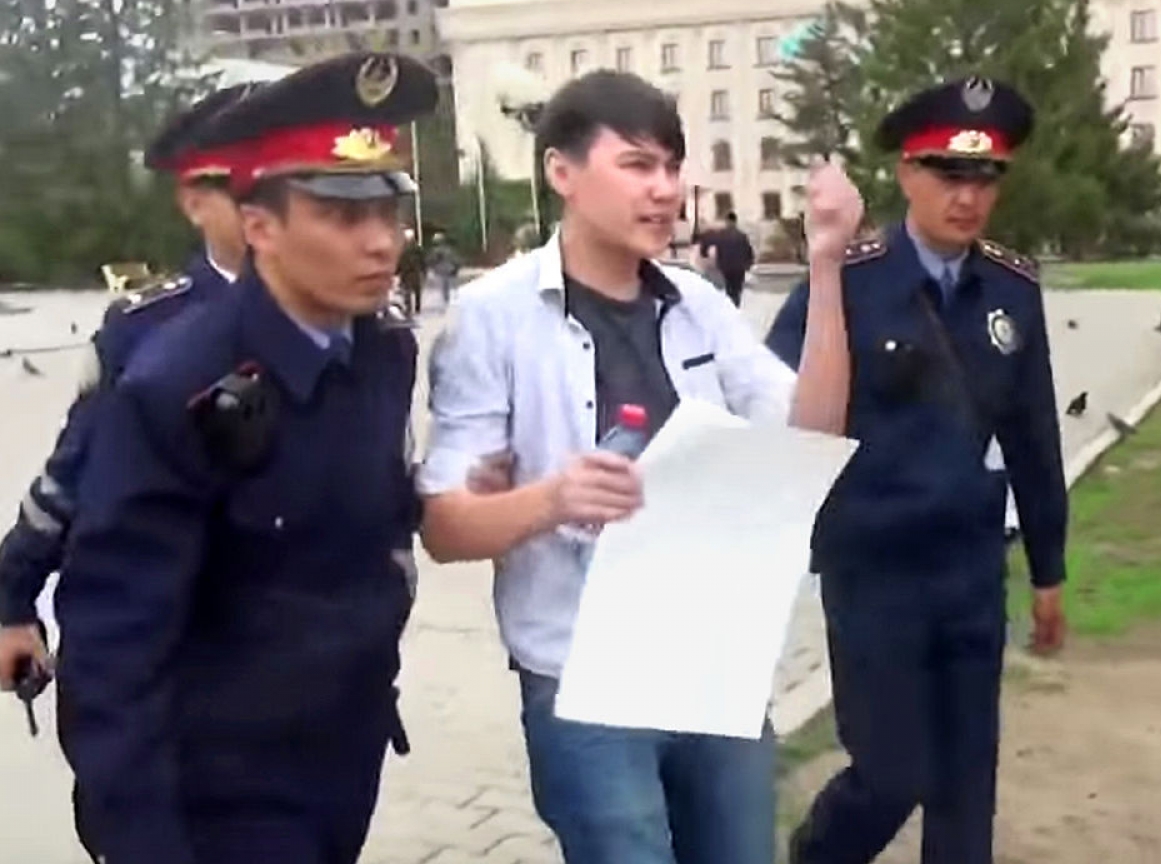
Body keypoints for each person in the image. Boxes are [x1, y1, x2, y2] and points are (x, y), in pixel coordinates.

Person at [415, 68, 854, 864]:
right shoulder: (495, 317)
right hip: (581, 673)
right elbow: (445, 527)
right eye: (637, 166)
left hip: (710, 657)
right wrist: (553, 497)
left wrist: (825, 267)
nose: (665, 191)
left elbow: (811, 434)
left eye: (672, 168)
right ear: (562, 172)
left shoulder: (697, 305)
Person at [54, 51, 439, 864]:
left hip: (342, 756)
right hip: (222, 787)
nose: (381, 243)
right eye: (341, 215)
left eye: (389, 212)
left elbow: (372, 532)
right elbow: (111, 645)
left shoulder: (381, 353)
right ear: (259, 223)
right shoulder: (174, 386)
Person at [767, 75, 1069, 864]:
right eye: (947, 173)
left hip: (969, 571)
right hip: (873, 575)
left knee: (968, 786)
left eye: (985, 178)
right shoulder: (847, 281)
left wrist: (1049, 568)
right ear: (906, 174)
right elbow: (777, 412)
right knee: (892, 772)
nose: (968, 197)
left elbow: (1034, 434)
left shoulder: (1013, 289)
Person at [0, 80, 260, 698]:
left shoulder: (361, 328)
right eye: (250, 192)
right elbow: (72, 474)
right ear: (195, 201)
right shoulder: (145, 331)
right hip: (165, 659)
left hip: (304, 665)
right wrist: (12, 598)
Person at [696, 210, 756, 306]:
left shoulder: (721, 234)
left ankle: (732, 305)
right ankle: (736, 304)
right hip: (739, 267)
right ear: (735, 221)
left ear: (727, 221)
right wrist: (749, 263)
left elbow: (707, 241)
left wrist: (704, 252)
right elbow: (749, 251)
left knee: (730, 287)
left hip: (726, 266)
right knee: (737, 288)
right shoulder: (741, 235)